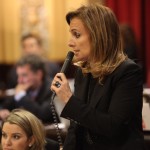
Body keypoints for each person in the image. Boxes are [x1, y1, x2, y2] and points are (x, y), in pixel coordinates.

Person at [50, 3, 145, 150]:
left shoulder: (128, 72)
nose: (70, 42)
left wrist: (69, 99)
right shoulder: (83, 71)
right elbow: (76, 127)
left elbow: (112, 127)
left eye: (77, 34)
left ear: (97, 35)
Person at [3, 54, 59, 123]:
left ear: (39, 74)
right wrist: (3, 111)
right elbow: (6, 106)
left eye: (24, 75)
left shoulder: (53, 88)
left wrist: (21, 96)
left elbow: (43, 114)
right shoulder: (24, 87)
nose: (19, 80)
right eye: (18, 75)